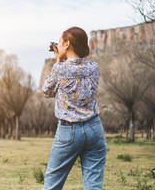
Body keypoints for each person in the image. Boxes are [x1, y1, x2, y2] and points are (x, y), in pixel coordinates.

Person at [41, 27, 107, 190]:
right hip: (94, 128)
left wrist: (58, 61)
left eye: (60, 42)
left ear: (67, 44)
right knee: (93, 184)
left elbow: (47, 91)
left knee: (52, 183)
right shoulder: (94, 68)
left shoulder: (60, 69)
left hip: (68, 131)